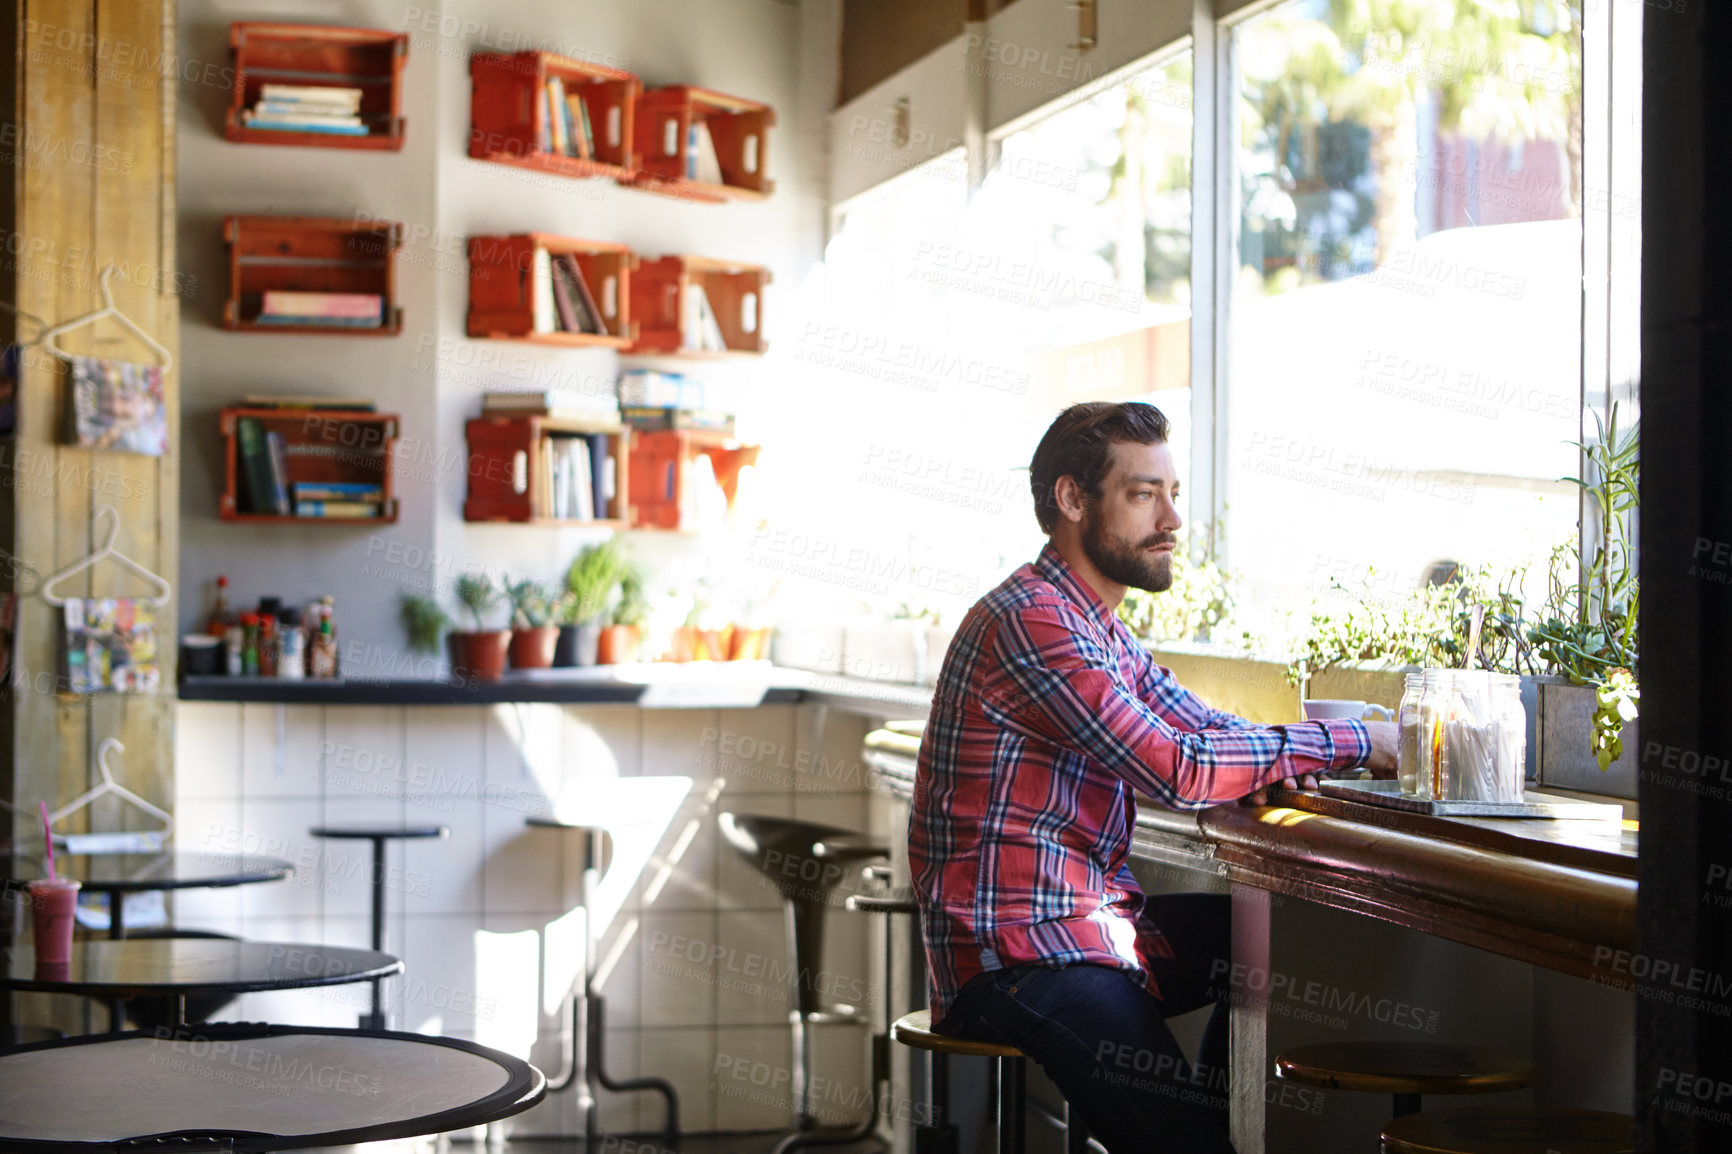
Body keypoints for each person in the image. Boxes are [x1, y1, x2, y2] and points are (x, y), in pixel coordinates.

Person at [907, 401, 1398, 1153]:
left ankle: (1195, 1129)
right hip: (1016, 957)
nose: (1171, 518)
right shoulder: (1031, 621)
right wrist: (1361, 740)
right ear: (1072, 500)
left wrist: (1288, 757)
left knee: (1264, 947)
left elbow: (1204, 729)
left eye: (1173, 494)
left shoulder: (1097, 628)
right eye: (1144, 495)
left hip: (1088, 932)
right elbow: (1175, 767)